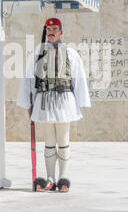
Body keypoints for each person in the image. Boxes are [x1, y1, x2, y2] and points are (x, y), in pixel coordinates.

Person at [16, 17, 91, 192]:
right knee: (49, 141)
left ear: (61, 32)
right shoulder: (37, 53)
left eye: (55, 29)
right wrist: (28, 103)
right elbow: (29, 79)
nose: (51, 32)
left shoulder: (70, 53)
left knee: (63, 141)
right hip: (44, 102)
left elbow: (78, 78)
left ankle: (63, 178)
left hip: (64, 101)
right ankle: (50, 178)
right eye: (49, 30)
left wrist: (79, 103)